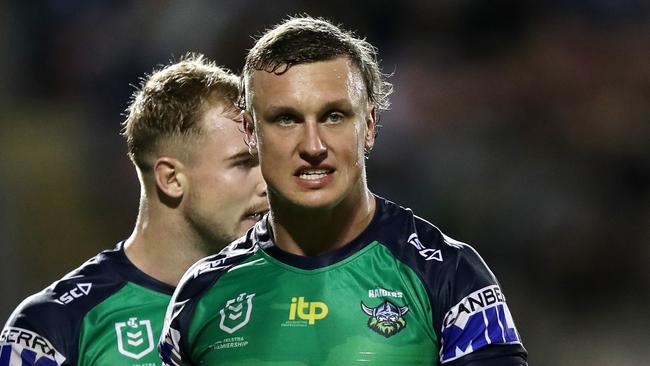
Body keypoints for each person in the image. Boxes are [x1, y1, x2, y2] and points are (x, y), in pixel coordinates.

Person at [160, 17, 528, 365]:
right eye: (286, 119)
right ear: (250, 132)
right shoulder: (200, 296)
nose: (313, 145)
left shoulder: (449, 276)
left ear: (368, 125)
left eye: (334, 116)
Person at [0, 54, 268, 365]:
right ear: (171, 179)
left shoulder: (286, 298)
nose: (266, 182)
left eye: (266, 160)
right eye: (244, 163)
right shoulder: (56, 327)